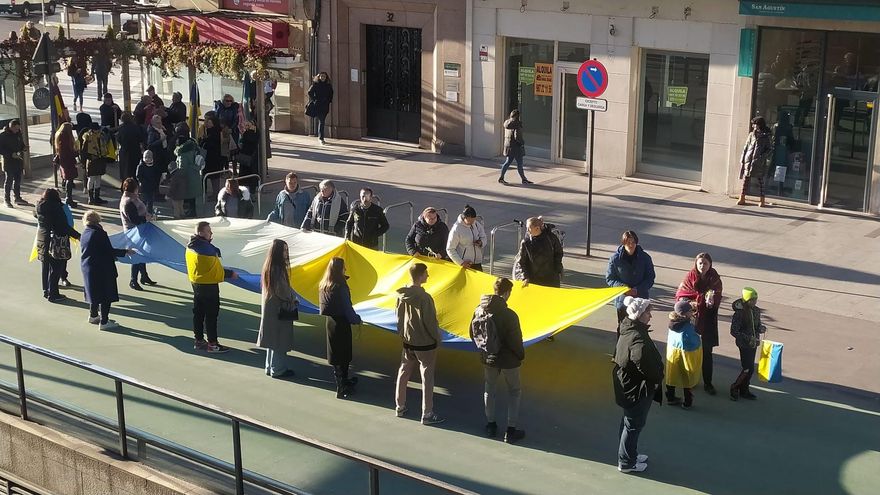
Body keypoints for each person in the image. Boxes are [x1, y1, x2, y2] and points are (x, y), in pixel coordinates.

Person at [470, 277, 525, 444]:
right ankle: (511, 429)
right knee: (514, 391)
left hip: (488, 357)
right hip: (509, 360)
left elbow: (472, 334)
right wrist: (520, 355)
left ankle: (491, 425)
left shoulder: (479, 310)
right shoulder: (509, 315)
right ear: (507, 293)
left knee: (490, 389)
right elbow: (516, 340)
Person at [613, 296, 663, 473]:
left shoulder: (627, 327)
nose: (650, 315)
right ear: (640, 315)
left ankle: (629, 454)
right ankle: (626, 462)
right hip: (636, 389)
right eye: (648, 312)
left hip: (627, 387)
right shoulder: (637, 339)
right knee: (633, 425)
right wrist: (657, 378)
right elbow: (643, 362)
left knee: (628, 422)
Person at [394, 263, 444, 425]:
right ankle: (427, 413)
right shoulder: (425, 298)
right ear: (421, 275)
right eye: (426, 274)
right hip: (425, 344)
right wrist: (437, 338)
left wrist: (403, 334)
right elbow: (430, 322)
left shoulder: (402, 295)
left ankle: (400, 406)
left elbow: (399, 318)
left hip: (408, 342)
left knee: (403, 373)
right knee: (427, 377)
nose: (428, 276)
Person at [186, 221, 238, 353]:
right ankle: (213, 344)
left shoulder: (190, 246)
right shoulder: (207, 251)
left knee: (198, 313)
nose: (211, 233)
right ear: (201, 233)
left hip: (196, 283)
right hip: (209, 286)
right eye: (209, 231)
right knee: (211, 315)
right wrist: (230, 273)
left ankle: (198, 340)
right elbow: (217, 271)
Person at [675, 253, 723, 395]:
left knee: (707, 352)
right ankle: (690, 379)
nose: (702, 266)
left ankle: (708, 383)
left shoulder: (715, 279)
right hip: (691, 320)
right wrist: (691, 303)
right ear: (696, 263)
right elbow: (680, 296)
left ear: (710, 265)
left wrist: (712, 301)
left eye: (705, 263)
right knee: (690, 351)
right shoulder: (690, 277)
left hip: (708, 320)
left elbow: (718, 296)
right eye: (700, 263)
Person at [81, 210, 134, 330]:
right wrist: (125, 252)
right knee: (105, 295)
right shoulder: (99, 233)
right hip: (102, 268)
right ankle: (104, 321)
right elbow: (108, 251)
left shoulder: (85, 232)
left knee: (93, 292)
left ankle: (93, 315)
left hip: (88, 267)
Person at [318, 257, 362, 399]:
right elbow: (347, 307)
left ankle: (342, 382)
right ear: (340, 269)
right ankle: (341, 386)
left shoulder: (325, 285)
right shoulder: (340, 286)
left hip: (331, 322)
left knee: (336, 354)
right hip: (342, 323)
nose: (345, 269)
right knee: (344, 354)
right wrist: (356, 320)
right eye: (344, 267)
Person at [257, 239, 299, 378]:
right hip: (279, 309)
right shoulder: (277, 269)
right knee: (279, 340)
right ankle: (278, 369)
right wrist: (293, 299)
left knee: (272, 339)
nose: (287, 254)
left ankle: (270, 366)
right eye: (284, 251)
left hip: (271, 308)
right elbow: (283, 290)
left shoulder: (269, 266)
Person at [35, 188, 81, 302]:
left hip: (42, 240)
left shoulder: (39, 207)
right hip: (56, 242)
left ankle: (46, 290)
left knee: (46, 267)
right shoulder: (57, 209)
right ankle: (53, 294)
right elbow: (63, 227)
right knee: (56, 269)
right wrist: (78, 236)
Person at [606, 231, 656, 326]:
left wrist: (637, 289)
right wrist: (624, 289)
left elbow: (650, 277)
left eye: (633, 242)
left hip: (641, 300)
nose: (631, 245)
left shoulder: (645, 258)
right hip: (623, 300)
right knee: (623, 326)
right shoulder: (615, 259)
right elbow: (610, 278)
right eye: (628, 242)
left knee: (641, 326)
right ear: (623, 243)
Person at [119, 178, 157, 291]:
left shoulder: (130, 199)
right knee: (136, 255)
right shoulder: (129, 202)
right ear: (135, 188)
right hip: (134, 232)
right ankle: (133, 280)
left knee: (141, 253)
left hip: (137, 230)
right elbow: (134, 219)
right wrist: (146, 218)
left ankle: (144, 276)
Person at [664, 300, 702, 409]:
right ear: (685, 314)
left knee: (672, 374)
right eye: (690, 311)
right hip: (687, 352)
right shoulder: (688, 326)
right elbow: (693, 340)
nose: (692, 312)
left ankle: (670, 397)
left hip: (673, 351)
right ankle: (687, 401)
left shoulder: (673, 322)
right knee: (687, 376)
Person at [729, 287, 766, 401]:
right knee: (747, 368)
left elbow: (757, 325)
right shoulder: (739, 314)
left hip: (753, 343)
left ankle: (744, 390)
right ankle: (735, 387)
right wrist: (748, 338)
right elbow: (734, 331)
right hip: (744, 344)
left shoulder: (756, 310)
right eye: (752, 300)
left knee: (750, 368)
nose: (754, 302)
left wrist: (761, 328)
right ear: (746, 300)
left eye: (755, 299)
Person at [514, 217, 563, 288]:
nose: (527, 231)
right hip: (533, 279)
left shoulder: (551, 238)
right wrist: (525, 277)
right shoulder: (526, 243)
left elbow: (558, 253)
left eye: (529, 228)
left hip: (551, 278)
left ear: (537, 228)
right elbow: (521, 261)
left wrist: (557, 268)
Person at [738, 116, 773, 207]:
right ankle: (742, 197)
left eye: (755, 124)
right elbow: (746, 146)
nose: (753, 126)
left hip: (758, 161)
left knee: (760, 181)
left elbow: (769, 149)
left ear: (759, 125)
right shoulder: (751, 135)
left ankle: (762, 200)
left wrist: (761, 157)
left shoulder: (766, 136)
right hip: (748, 160)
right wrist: (743, 158)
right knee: (746, 179)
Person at [446, 205, 487, 271]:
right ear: (464, 218)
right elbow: (450, 249)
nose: (472, 223)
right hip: (465, 264)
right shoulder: (456, 229)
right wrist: (461, 263)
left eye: (473, 221)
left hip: (477, 262)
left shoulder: (476, 224)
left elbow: (484, 237)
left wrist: (481, 242)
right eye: (469, 222)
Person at [80, 123, 112, 205]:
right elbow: (84, 151)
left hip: (100, 160)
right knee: (92, 178)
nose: (98, 130)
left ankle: (96, 197)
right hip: (92, 160)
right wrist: (84, 162)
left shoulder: (101, 135)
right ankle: (91, 198)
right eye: (97, 129)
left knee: (98, 178)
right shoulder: (87, 137)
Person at [175, 125, 202, 218]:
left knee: (189, 194)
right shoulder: (193, 145)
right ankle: (193, 211)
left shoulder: (182, 153)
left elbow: (182, 166)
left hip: (187, 176)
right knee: (192, 196)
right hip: (194, 173)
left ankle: (191, 212)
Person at [498, 110, 532, 185]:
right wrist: (522, 142)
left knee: (507, 162)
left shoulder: (507, 122)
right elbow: (517, 137)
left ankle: (501, 177)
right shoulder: (517, 124)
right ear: (517, 116)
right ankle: (524, 179)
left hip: (508, 146)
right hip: (516, 147)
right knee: (519, 163)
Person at [1, 120, 29, 208]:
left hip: (18, 161)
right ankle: (7, 199)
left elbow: (21, 144)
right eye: (16, 129)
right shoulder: (3, 136)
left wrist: (24, 148)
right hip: (9, 162)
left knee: (17, 180)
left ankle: (17, 197)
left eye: (18, 129)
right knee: (9, 181)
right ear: (11, 127)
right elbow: (1, 149)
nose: (17, 130)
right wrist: (10, 154)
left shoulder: (18, 134)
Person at [53, 122, 80, 207]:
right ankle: (69, 198)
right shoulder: (65, 136)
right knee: (69, 178)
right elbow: (68, 150)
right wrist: (76, 153)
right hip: (68, 160)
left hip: (63, 160)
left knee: (67, 178)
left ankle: (69, 197)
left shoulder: (59, 135)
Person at [198, 113, 224, 195]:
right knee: (207, 175)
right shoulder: (206, 131)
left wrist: (204, 140)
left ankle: (215, 193)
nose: (206, 123)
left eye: (208, 121)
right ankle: (207, 192)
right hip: (208, 158)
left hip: (214, 158)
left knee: (214, 176)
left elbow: (212, 144)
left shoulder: (216, 132)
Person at [116, 111, 145, 181]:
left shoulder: (121, 128)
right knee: (134, 169)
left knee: (124, 169)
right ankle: (134, 183)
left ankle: (125, 183)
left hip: (124, 151)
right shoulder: (136, 127)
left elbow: (118, 139)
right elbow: (141, 138)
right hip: (135, 150)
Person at [307, 72, 333, 145]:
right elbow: (309, 92)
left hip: (325, 105)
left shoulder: (328, 85)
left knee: (322, 121)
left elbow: (331, 94)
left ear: (326, 77)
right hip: (318, 105)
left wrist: (328, 100)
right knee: (322, 121)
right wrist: (315, 99)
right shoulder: (316, 84)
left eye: (324, 76)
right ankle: (321, 138)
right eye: (321, 76)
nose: (322, 78)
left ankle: (320, 137)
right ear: (319, 77)